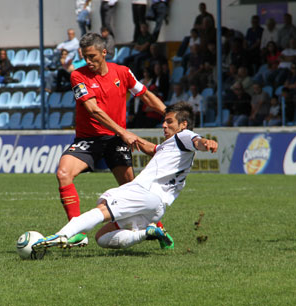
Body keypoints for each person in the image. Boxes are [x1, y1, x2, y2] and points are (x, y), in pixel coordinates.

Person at [33, 102, 218, 252]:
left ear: (183, 124)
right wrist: (129, 136)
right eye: (164, 121)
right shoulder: (170, 147)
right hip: (157, 208)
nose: (164, 125)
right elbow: (151, 149)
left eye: (169, 122)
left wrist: (205, 142)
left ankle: (61, 235)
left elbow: (197, 141)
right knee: (102, 238)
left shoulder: (184, 136)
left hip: (144, 192)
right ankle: (147, 233)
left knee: (102, 208)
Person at [56, 33, 167, 248]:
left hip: (115, 140)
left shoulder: (122, 72)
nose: (88, 61)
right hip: (88, 139)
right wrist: (123, 132)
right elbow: (92, 110)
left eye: (92, 56)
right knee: (63, 173)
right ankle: (76, 231)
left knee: (132, 189)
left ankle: (159, 228)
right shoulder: (78, 76)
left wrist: (170, 114)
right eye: (85, 56)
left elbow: (144, 94)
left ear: (104, 52)